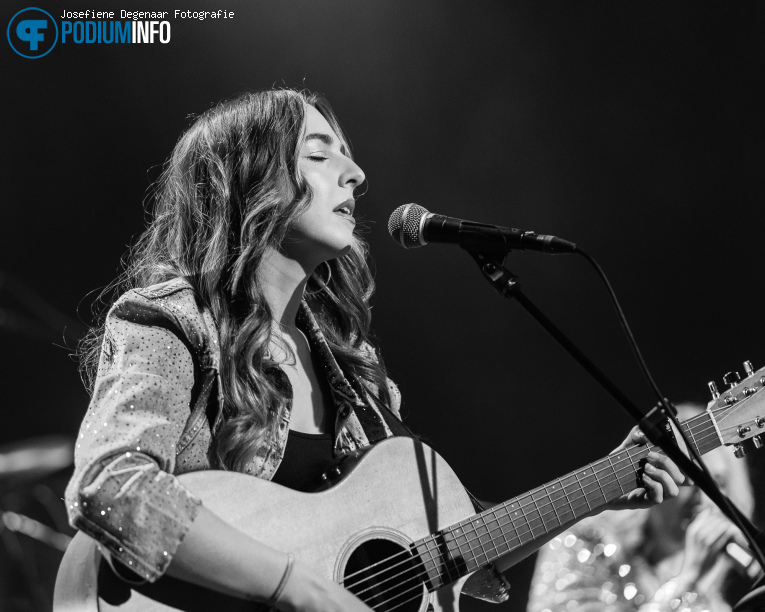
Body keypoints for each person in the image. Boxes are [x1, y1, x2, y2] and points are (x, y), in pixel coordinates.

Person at [65, 88, 685, 612]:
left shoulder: (353, 372)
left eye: (351, 157)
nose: (356, 175)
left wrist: (605, 483)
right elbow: (111, 486)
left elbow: (446, 542)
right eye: (319, 153)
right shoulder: (172, 320)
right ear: (249, 181)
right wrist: (297, 586)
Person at [527, 402, 758, 612]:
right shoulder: (587, 542)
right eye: (689, 479)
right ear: (655, 478)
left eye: (716, 483)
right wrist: (687, 583)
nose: (703, 498)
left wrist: (698, 584)